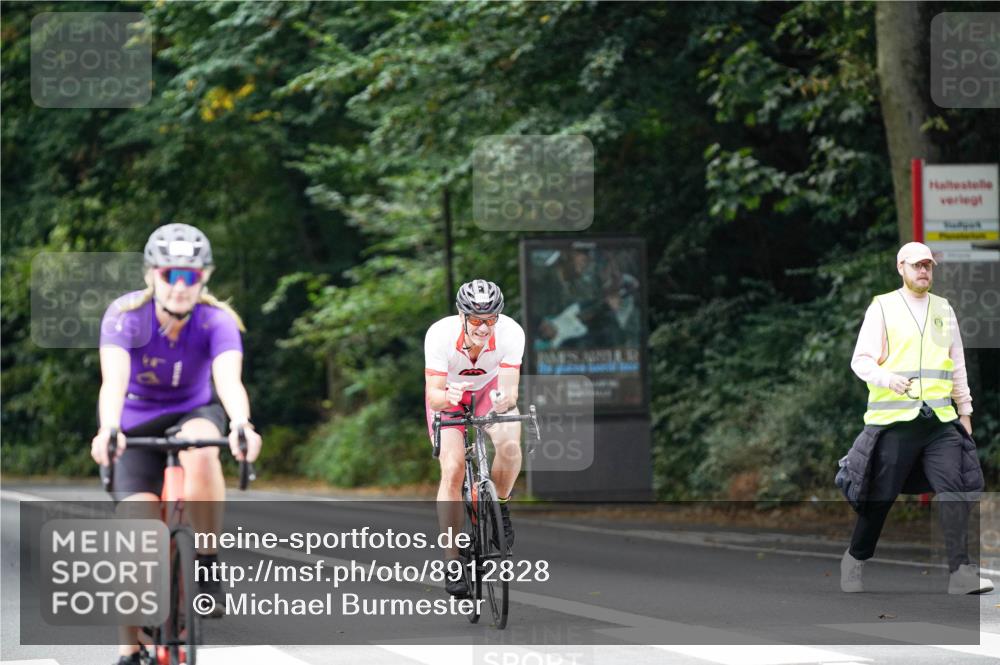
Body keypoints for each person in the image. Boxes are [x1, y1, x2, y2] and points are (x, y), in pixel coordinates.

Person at [91, 223, 263, 664]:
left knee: (205, 447)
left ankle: (205, 565)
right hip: (136, 420)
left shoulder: (217, 320)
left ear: (205, 276)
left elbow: (229, 380)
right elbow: (113, 382)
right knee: (136, 534)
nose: (181, 286)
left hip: (193, 412)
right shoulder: (125, 315)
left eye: (191, 275)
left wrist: (242, 424)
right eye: (171, 274)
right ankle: (129, 648)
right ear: (152, 274)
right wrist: (107, 429)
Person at [840, 241, 991, 595]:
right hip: (896, 422)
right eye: (917, 265)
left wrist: (964, 413)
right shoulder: (883, 307)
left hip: (940, 421)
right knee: (880, 497)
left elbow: (956, 367)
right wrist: (887, 379)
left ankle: (960, 573)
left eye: (928, 266)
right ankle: (855, 558)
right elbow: (860, 360)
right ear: (901, 268)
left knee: (955, 491)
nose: (924, 271)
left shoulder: (944, 309)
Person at [424, 279, 525, 597]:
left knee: (509, 445)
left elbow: (510, 391)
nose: (484, 327)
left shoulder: (511, 333)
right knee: (452, 469)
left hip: (488, 394)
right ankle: (452, 561)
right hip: (449, 397)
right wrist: (447, 396)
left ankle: (501, 505)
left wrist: (503, 403)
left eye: (491, 319)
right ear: (462, 315)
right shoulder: (439, 335)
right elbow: (433, 395)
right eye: (477, 320)